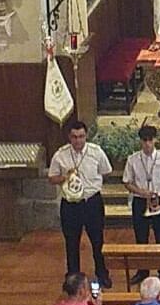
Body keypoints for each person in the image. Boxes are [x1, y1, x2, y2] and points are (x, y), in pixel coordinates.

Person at [48, 119, 113, 286]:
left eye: (81, 136)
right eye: (75, 137)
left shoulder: (96, 152)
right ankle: (73, 277)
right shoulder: (60, 154)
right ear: (69, 137)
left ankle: (102, 272)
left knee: (97, 239)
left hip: (92, 202)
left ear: (86, 136)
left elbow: (106, 172)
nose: (78, 140)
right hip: (70, 204)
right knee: (71, 241)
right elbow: (52, 178)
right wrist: (66, 177)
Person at [122, 125, 160, 285]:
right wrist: (141, 192)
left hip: (159, 200)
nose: (147, 144)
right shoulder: (133, 159)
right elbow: (127, 182)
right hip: (140, 201)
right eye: (144, 141)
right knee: (141, 237)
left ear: (155, 140)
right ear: (140, 141)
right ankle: (142, 270)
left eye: (150, 140)